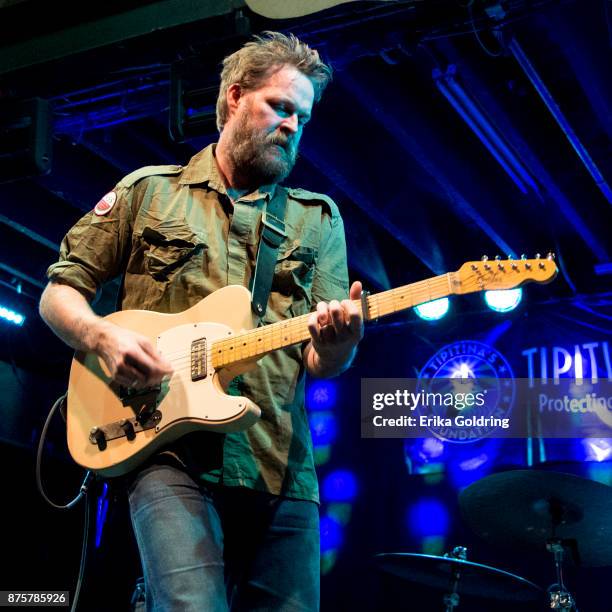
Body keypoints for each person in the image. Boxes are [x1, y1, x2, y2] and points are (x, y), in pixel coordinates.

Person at [39, 31, 363, 611]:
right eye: (280, 107)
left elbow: (322, 361)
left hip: (278, 463)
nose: (292, 125)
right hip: (164, 449)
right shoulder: (149, 192)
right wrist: (102, 335)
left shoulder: (319, 220)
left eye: (303, 117)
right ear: (236, 97)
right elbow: (60, 293)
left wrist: (340, 341)